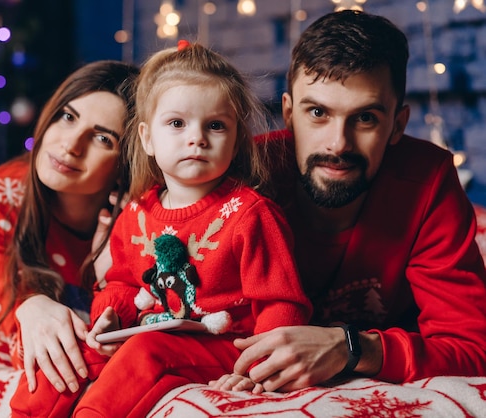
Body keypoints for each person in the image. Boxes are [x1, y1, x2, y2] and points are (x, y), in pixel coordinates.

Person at [210, 10, 486, 394]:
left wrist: (351, 347)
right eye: (318, 113)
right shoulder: (246, 177)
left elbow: (472, 350)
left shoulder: (428, 179)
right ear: (289, 113)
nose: (338, 144)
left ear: (398, 126)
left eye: (366, 118)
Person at [64, 40, 311, 417]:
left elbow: (280, 303)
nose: (196, 138)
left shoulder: (250, 214)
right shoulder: (136, 213)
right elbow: (123, 283)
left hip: (226, 343)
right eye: (177, 123)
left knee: (147, 352)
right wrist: (111, 315)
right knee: (74, 356)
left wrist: (259, 367)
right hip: (152, 329)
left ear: (235, 141)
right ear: (147, 138)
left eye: (215, 125)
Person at [0, 61, 138, 404]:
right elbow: (13, 324)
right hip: (5, 236)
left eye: (101, 138)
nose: (71, 145)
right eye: (68, 117)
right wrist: (30, 303)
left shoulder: (144, 213)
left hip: (45, 255)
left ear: (128, 160)